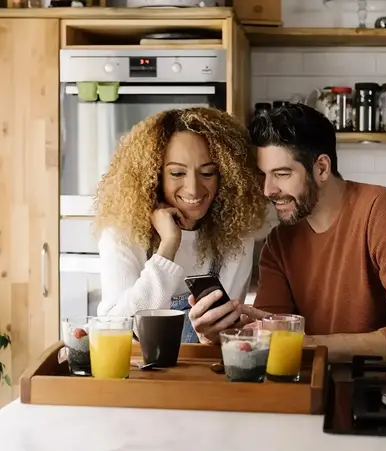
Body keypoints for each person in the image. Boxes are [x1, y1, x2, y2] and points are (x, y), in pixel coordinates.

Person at [188, 103, 386, 362]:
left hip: (384, 399)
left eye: (281, 174)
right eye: (262, 176)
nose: (268, 190)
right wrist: (216, 337)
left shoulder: (382, 212)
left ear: (322, 168)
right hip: (311, 399)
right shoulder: (280, 243)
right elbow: (270, 343)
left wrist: (306, 344)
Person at [94, 107, 267, 343]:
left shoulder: (236, 236)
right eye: (177, 173)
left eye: (207, 173)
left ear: (226, 176)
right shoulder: (122, 233)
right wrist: (168, 246)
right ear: (154, 176)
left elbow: (224, 336)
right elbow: (114, 330)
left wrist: (213, 334)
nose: (194, 189)